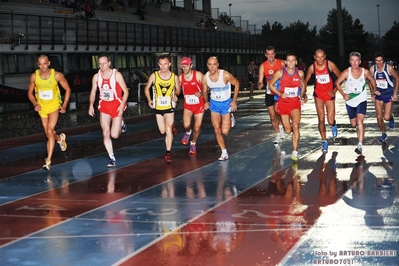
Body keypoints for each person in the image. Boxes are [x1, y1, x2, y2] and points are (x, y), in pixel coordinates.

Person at [27, 54, 71, 171]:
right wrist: (35, 104)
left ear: (49, 63)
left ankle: (48, 161)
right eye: (40, 64)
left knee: (50, 131)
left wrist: (64, 105)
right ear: (38, 65)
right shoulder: (34, 77)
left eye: (45, 63)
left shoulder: (56, 75)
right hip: (42, 107)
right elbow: (30, 93)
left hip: (54, 106)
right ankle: (60, 139)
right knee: (48, 134)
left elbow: (68, 89)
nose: (43, 66)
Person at [88, 54, 129, 167]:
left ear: (109, 63)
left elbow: (126, 91)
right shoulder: (96, 77)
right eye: (100, 63)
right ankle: (112, 158)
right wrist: (91, 105)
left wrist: (122, 106)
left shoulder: (117, 75)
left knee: (114, 135)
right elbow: (92, 92)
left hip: (116, 106)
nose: (102, 65)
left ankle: (121, 122)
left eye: (104, 63)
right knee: (106, 133)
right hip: (104, 107)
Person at [335, 52, 377, 155]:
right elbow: (337, 83)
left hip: (361, 101)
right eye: (352, 60)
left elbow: (372, 81)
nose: (354, 63)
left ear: (360, 61)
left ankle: (360, 145)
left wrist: (374, 92)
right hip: (350, 102)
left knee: (359, 121)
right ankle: (361, 128)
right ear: (350, 61)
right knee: (354, 124)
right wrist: (343, 94)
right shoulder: (346, 72)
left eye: (356, 60)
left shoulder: (365, 72)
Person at [268, 53, 306, 161]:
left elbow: (303, 84)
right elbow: (270, 85)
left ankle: (295, 151)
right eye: (288, 60)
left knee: (296, 126)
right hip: (283, 103)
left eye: (293, 60)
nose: (290, 62)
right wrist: (280, 94)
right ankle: (285, 131)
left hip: (295, 103)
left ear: (296, 62)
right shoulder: (280, 72)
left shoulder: (300, 73)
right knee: (288, 130)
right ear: (285, 62)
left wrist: (302, 96)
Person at [202, 56, 240, 161]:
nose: (212, 67)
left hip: (226, 104)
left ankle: (231, 115)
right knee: (217, 130)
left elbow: (237, 84)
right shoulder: (205, 77)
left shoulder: (225, 75)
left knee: (225, 131)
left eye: (214, 64)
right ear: (207, 65)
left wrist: (234, 101)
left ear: (217, 65)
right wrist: (206, 102)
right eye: (210, 64)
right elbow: (204, 91)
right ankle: (224, 152)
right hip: (214, 104)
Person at [144, 55, 181, 163]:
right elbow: (146, 88)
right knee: (162, 130)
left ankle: (168, 153)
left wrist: (176, 95)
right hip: (158, 107)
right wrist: (149, 99)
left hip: (169, 106)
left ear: (169, 64)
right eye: (161, 64)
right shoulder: (154, 76)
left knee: (168, 129)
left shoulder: (174, 77)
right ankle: (172, 125)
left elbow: (178, 89)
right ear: (158, 65)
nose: (163, 66)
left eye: (165, 64)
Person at [303, 49, 341, 153]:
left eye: (322, 57)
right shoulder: (312, 67)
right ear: (314, 57)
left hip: (329, 95)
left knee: (330, 120)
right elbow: (305, 81)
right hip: (318, 95)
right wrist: (303, 93)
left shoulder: (330, 65)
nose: (320, 59)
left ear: (325, 56)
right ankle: (324, 141)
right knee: (321, 119)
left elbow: (341, 77)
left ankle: (333, 125)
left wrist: (334, 90)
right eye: (317, 57)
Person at [257, 46, 286, 144]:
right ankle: (278, 134)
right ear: (265, 55)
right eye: (268, 54)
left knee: (277, 111)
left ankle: (281, 126)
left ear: (275, 54)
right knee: (272, 115)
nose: (270, 56)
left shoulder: (281, 63)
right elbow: (260, 80)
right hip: (269, 92)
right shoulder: (263, 66)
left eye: (272, 54)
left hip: (279, 92)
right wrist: (260, 84)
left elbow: (288, 73)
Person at [369, 52, 399, 144]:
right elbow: (370, 82)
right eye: (377, 61)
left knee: (386, 117)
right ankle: (383, 133)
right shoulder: (372, 69)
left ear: (383, 61)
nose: (379, 63)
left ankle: (390, 117)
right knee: (379, 117)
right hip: (378, 95)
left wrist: (395, 93)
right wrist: (373, 93)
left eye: (381, 60)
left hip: (388, 94)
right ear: (375, 61)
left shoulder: (388, 68)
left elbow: (397, 79)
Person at [179, 57, 205, 154]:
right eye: (183, 66)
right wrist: (174, 96)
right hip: (188, 105)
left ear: (191, 66)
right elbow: (176, 90)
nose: (185, 68)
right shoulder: (180, 78)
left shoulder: (198, 75)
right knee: (186, 125)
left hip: (199, 105)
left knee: (197, 128)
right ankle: (188, 132)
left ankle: (193, 143)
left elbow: (208, 88)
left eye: (186, 66)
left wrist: (201, 92)